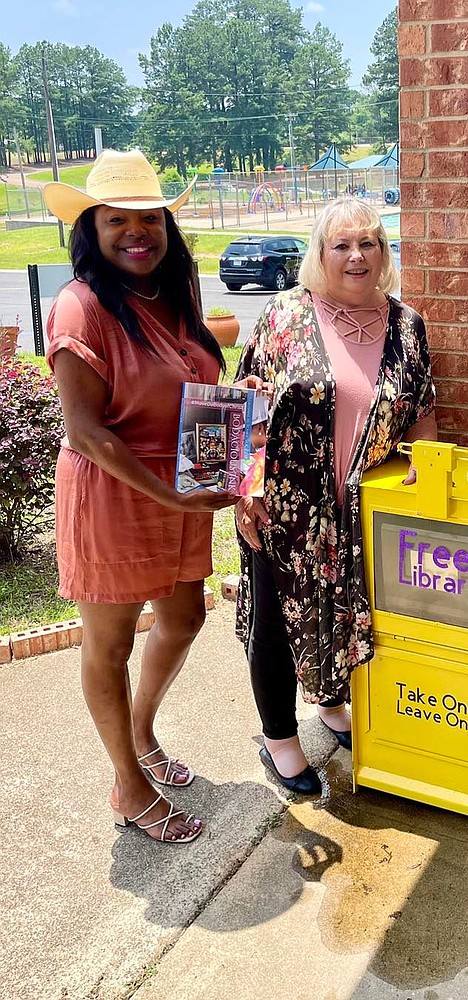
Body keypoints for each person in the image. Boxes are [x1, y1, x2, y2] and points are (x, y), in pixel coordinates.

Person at [44, 149, 259, 845]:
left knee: (186, 617)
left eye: (149, 219)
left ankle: (140, 734)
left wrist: (232, 438)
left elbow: (198, 387)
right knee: (107, 646)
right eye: (118, 220)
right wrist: (175, 496)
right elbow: (86, 432)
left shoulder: (176, 294)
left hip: (182, 490)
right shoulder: (79, 307)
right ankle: (127, 783)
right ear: (92, 229)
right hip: (113, 493)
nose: (137, 232)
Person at [234, 198, 437, 795]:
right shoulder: (285, 317)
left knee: (345, 618)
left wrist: (425, 471)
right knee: (277, 623)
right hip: (286, 506)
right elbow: (244, 407)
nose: (356, 256)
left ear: (384, 254)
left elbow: (422, 407)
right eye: (342, 245)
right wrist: (245, 491)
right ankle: (279, 738)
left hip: (365, 512)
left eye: (369, 244)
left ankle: (329, 704)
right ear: (321, 254)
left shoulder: (407, 325)